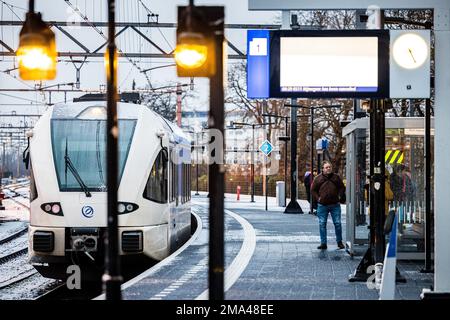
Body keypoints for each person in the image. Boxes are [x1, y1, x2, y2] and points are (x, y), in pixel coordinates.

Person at [311, 161, 345, 250]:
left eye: (329, 167)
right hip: (322, 205)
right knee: (322, 224)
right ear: (323, 168)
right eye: (326, 167)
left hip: (335, 205)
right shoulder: (318, 178)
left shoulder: (336, 177)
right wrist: (318, 198)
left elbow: (342, 187)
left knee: (337, 223)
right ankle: (323, 243)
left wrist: (339, 196)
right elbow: (313, 190)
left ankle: (339, 242)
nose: (328, 168)